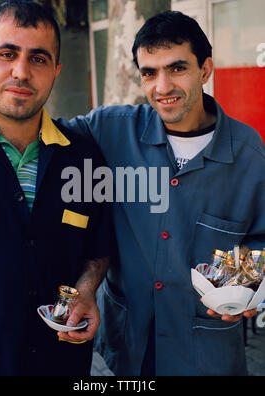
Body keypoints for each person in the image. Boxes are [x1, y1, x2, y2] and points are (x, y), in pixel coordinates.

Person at [58, 11, 265, 376]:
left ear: (205, 70)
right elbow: (43, 137)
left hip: (207, 352)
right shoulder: (110, 129)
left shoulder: (248, 152)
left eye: (177, 68)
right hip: (127, 349)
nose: (162, 86)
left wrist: (249, 285)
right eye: (149, 72)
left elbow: (261, 240)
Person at [0, 1, 111, 376]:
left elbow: (97, 246)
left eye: (39, 59)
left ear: (56, 71)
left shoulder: (84, 156)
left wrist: (87, 288)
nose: (21, 72)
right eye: (7, 54)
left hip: (62, 363)